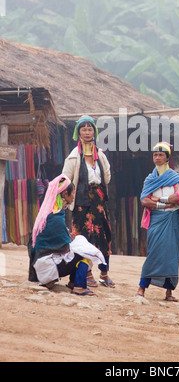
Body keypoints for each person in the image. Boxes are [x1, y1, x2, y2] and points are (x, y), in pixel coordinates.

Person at [28, 174, 106, 296]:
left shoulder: (51, 212)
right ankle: (79, 286)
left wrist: (67, 238)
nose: (74, 196)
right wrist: (68, 240)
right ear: (65, 194)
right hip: (47, 269)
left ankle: (73, 283)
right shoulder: (56, 217)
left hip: (42, 266)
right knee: (85, 252)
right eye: (73, 193)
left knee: (80, 241)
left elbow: (55, 241)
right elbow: (65, 249)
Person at [136, 142, 179, 302]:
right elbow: (144, 201)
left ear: (167, 157)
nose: (158, 157)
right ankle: (142, 287)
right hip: (156, 220)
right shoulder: (149, 179)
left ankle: (168, 293)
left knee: (171, 255)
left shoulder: (175, 178)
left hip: (172, 220)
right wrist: (166, 203)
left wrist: (158, 199)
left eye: (161, 155)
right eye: (155, 155)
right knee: (153, 252)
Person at [62, 115, 114, 288]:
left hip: (99, 201)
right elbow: (65, 180)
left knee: (103, 235)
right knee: (83, 236)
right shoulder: (74, 156)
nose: (87, 132)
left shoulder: (100, 155)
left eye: (90, 129)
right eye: (83, 129)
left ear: (94, 132)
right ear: (78, 132)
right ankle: (87, 273)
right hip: (80, 202)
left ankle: (104, 274)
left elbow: (107, 177)